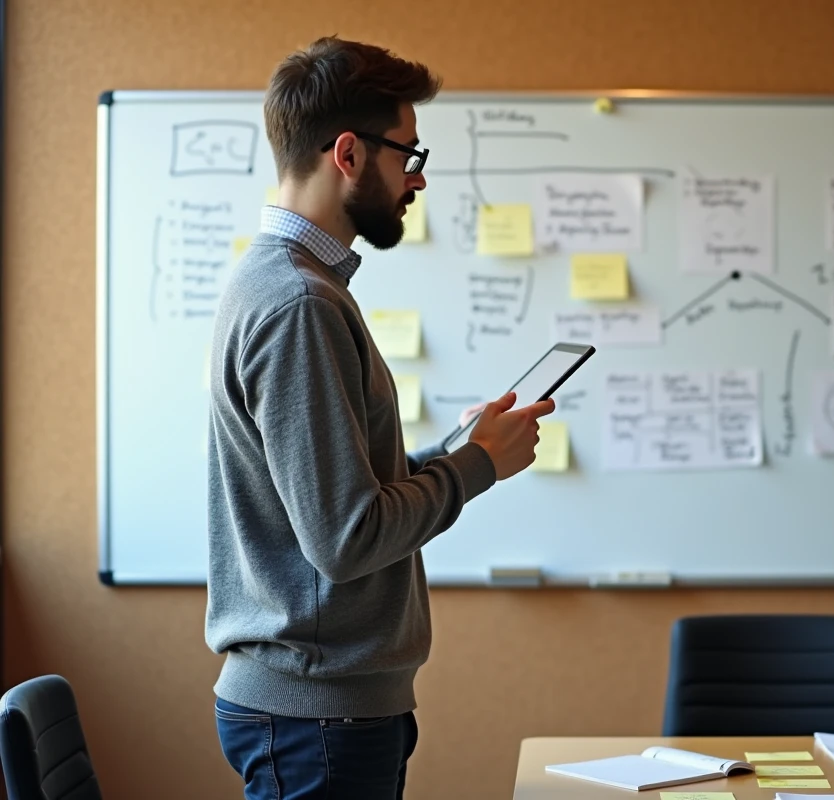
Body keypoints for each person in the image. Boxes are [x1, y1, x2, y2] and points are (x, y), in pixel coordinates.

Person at [204, 36, 554, 799]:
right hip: (317, 719)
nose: (417, 177)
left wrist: (456, 451)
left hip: (321, 712)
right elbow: (346, 538)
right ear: (349, 153)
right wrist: (478, 467)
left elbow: (335, 498)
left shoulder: (295, 285)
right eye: (409, 153)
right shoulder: (300, 303)